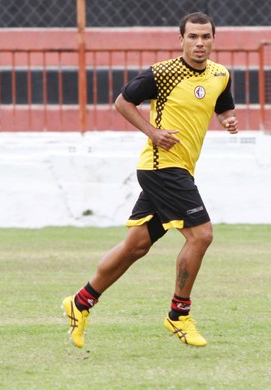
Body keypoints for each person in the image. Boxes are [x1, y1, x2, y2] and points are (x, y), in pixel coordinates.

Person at [62, 11, 238, 349]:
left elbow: (223, 108)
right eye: (193, 37)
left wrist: (229, 121)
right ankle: (178, 315)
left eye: (206, 37)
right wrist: (152, 132)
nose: (199, 43)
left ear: (214, 40)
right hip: (161, 167)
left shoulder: (220, 75)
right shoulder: (163, 72)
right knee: (201, 235)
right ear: (181, 40)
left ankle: (80, 302)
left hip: (181, 168)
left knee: (136, 245)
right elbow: (122, 101)